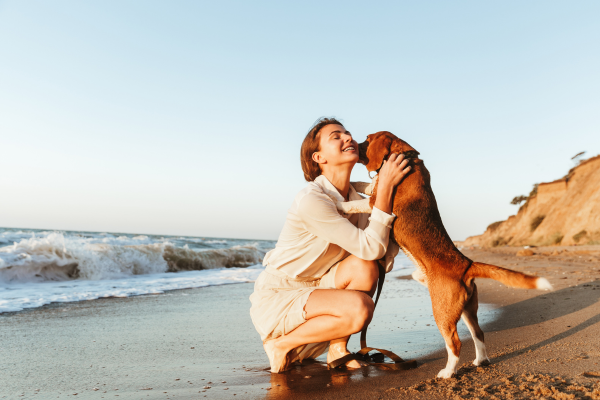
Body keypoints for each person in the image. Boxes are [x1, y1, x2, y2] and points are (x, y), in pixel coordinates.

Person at [249, 117, 411, 372]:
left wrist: (386, 186)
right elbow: (373, 247)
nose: (347, 138)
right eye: (336, 136)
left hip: (321, 288)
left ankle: (337, 348)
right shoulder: (312, 200)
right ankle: (281, 344)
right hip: (282, 296)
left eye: (347, 133)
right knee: (360, 309)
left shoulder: (355, 197)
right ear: (318, 158)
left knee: (365, 267)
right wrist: (386, 187)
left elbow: (376, 257)